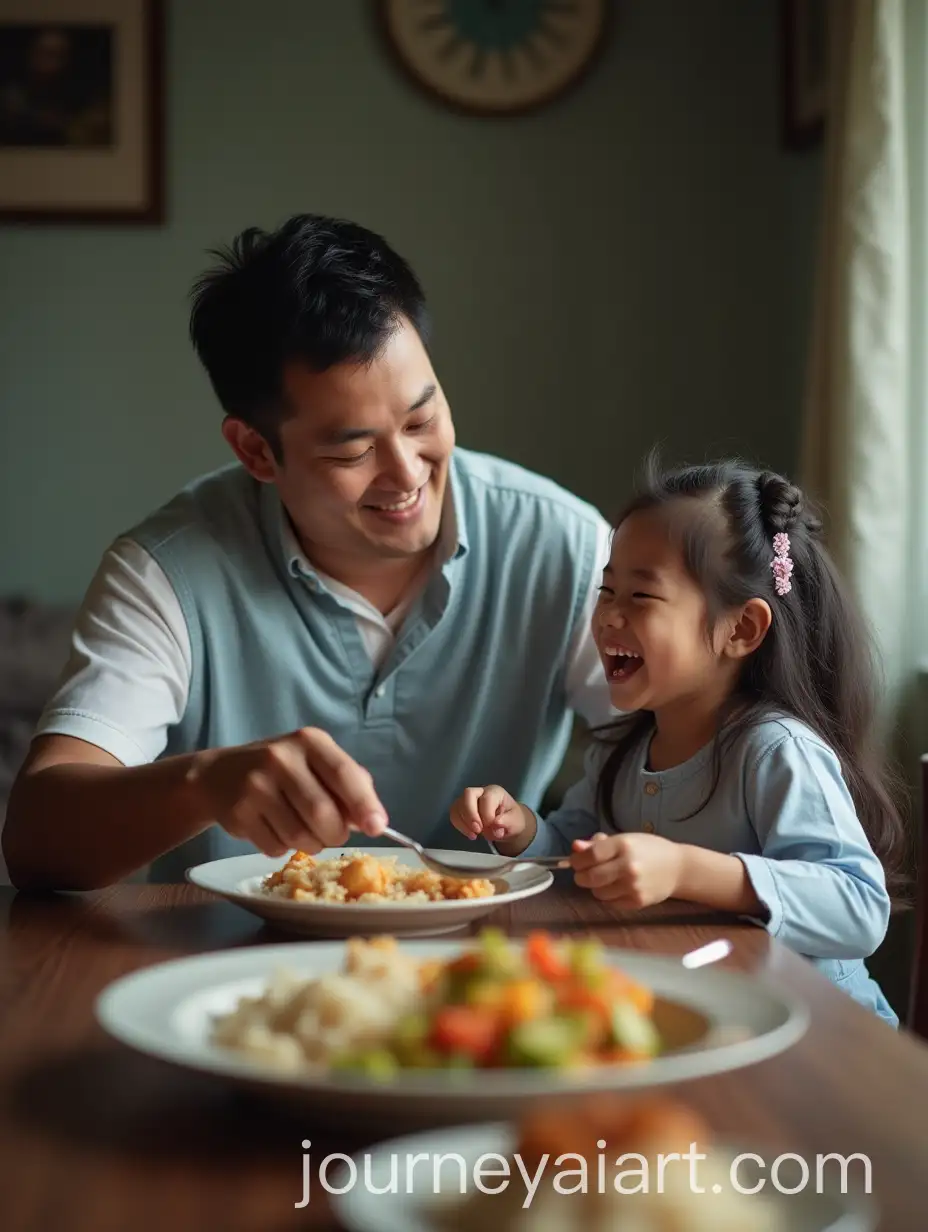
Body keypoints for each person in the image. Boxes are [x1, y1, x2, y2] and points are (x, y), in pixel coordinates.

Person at [3, 214, 614, 890]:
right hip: (232, 966)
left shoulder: (564, 545)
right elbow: (36, 839)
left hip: (487, 961)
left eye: (422, 420)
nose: (409, 473)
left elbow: (697, 766)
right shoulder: (166, 574)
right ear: (256, 451)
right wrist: (206, 785)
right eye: (352, 451)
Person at [450, 456, 908, 1027]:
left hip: (827, 1040)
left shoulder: (775, 752)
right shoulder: (625, 747)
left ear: (740, 629)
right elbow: (575, 845)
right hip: (716, 1022)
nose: (608, 617)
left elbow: (858, 908)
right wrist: (520, 829)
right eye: (607, 589)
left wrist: (687, 870)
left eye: (641, 597)